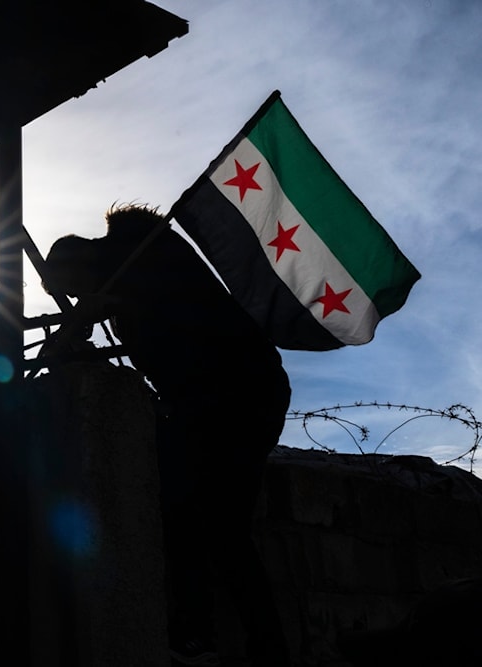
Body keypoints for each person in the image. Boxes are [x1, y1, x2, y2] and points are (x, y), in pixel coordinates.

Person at [43, 203, 292, 667]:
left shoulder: (142, 252)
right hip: (209, 401)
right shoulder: (121, 287)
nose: (78, 300)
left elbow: (176, 301)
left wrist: (114, 299)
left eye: (72, 289)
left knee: (210, 519)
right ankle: (225, 638)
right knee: (204, 520)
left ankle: (215, 638)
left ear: (78, 263)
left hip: (240, 392)